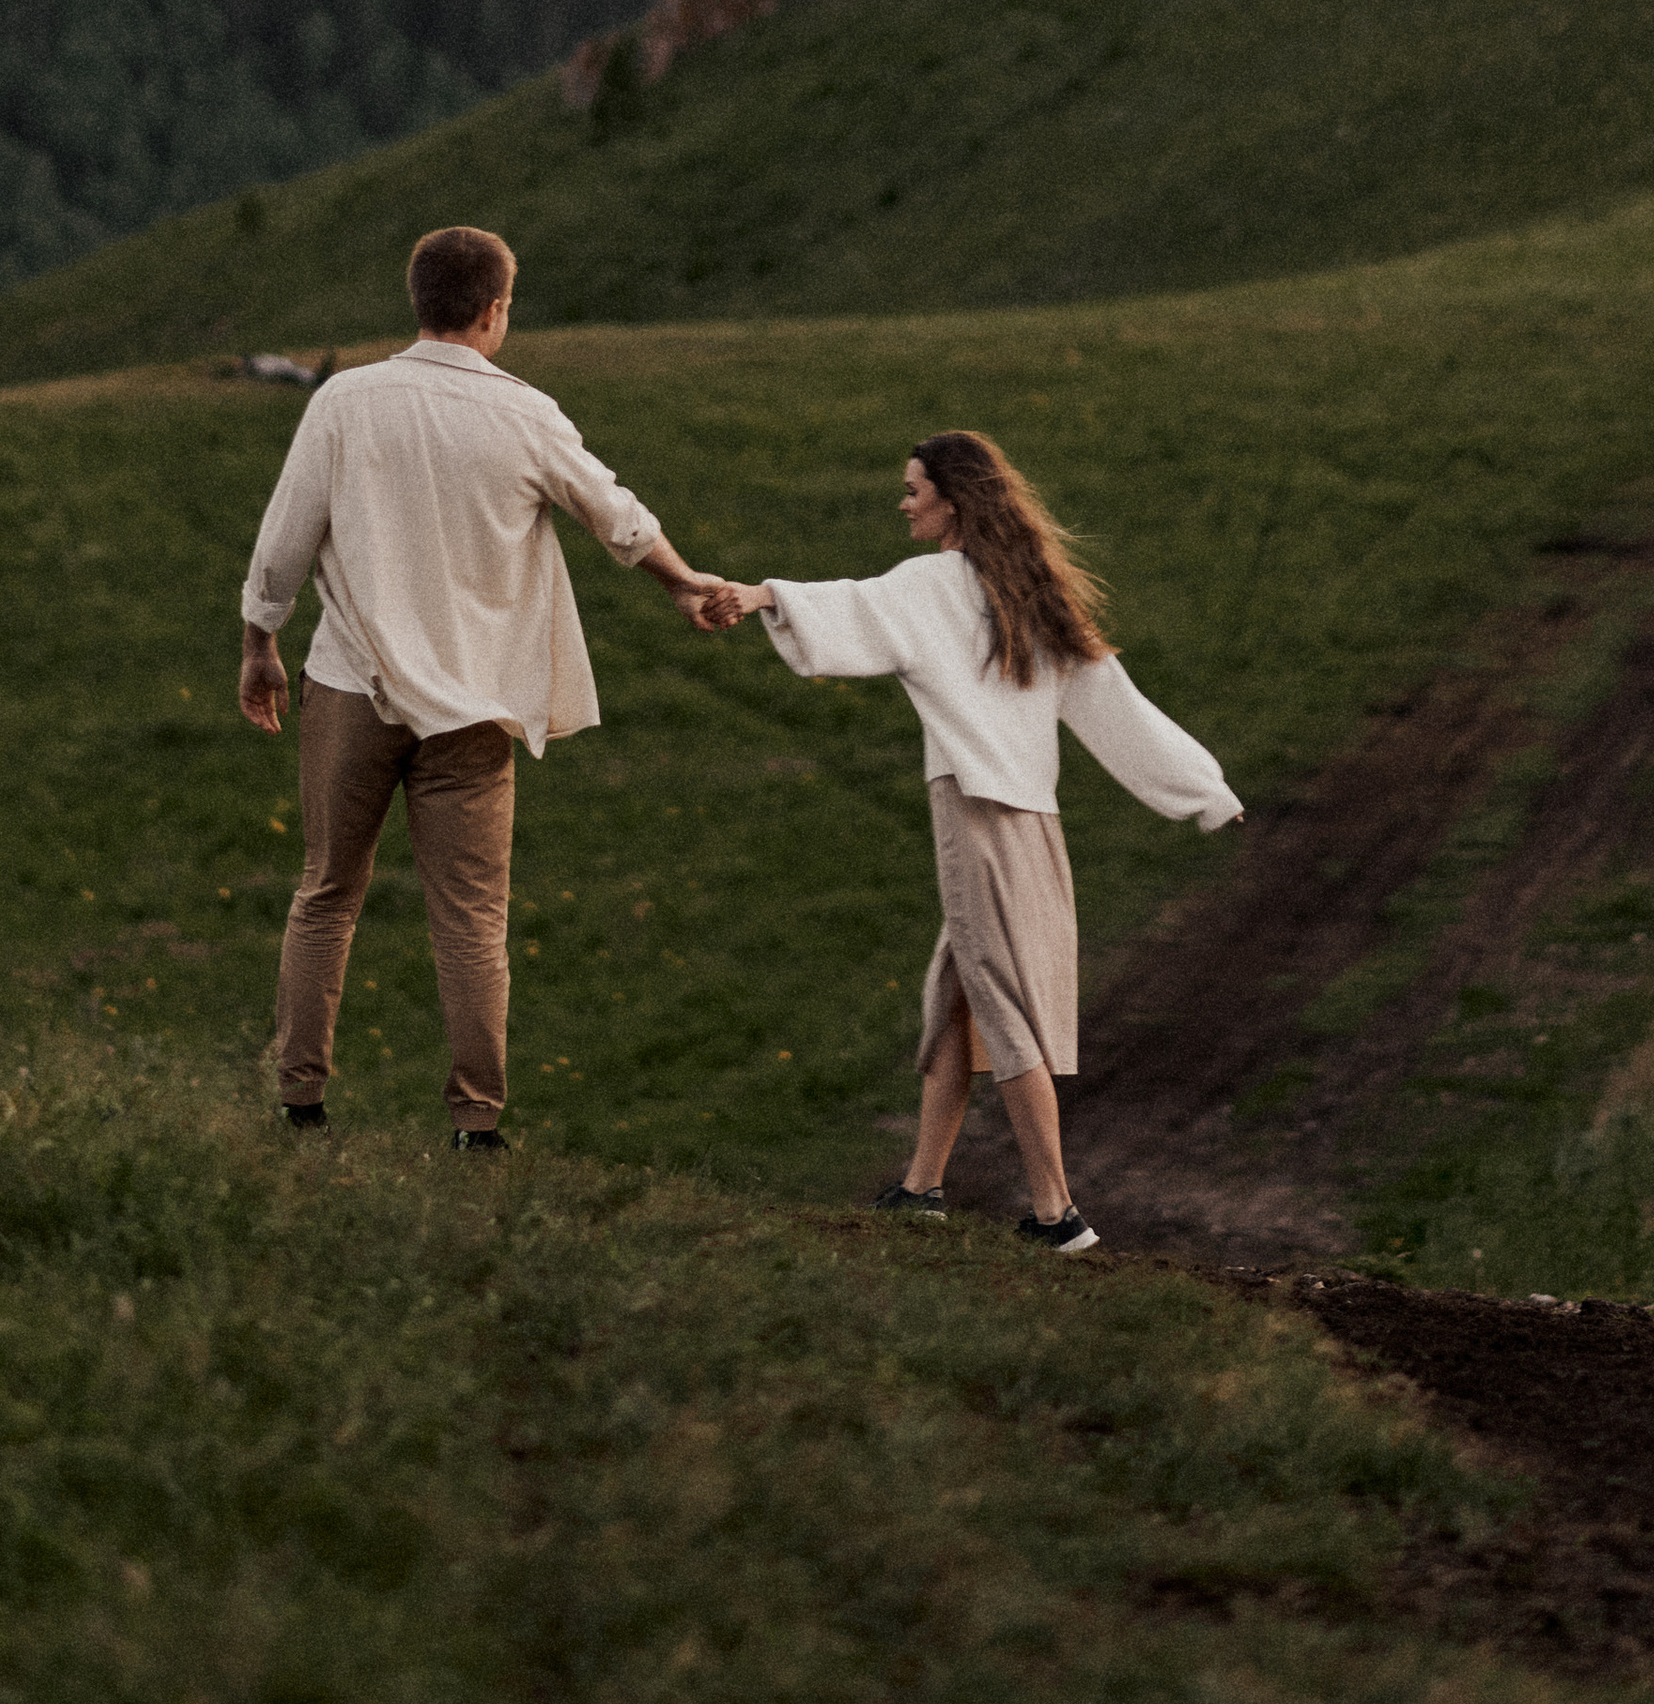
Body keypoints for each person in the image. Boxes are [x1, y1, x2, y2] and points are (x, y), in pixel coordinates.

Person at [237, 223, 725, 1143]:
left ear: (416, 301)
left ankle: (300, 1103)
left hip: (351, 683)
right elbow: (616, 517)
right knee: (470, 917)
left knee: (328, 889)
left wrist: (261, 641)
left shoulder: (346, 400)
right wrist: (683, 582)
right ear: (496, 310)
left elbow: (285, 536)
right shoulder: (526, 414)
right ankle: (476, 1122)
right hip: (474, 705)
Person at [700, 429, 1240, 1251]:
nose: (904, 501)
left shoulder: (934, 585)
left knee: (1002, 1006)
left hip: (977, 815)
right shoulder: (1026, 591)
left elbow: (850, 606)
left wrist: (758, 593)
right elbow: (1116, 705)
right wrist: (1205, 790)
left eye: (915, 488)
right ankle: (921, 1185)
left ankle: (1058, 1214)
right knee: (957, 996)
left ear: (954, 500)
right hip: (1033, 826)